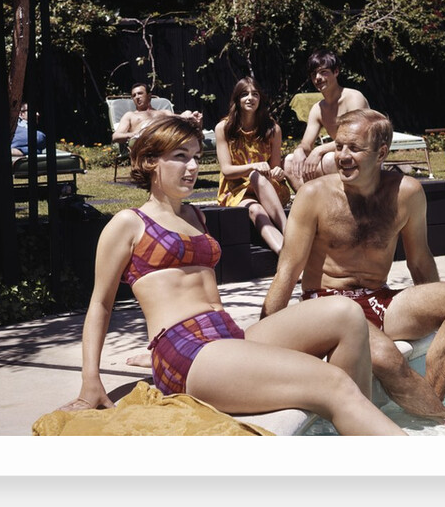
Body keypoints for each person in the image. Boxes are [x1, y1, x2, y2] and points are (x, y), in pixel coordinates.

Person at [57, 114, 405, 436]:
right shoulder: (129, 223)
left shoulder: (196, 216)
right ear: (150, 162)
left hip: (228, 337)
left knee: (346, 315)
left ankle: (355, 437)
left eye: (195, 156)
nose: (192, 167)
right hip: (185, 350)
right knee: (332, 382)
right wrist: (92, 381)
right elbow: (101, 305)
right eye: (180, 156)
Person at [262, 108, 445, 435]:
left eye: (354, 148)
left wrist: (435, 309)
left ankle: (428, 408)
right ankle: (442, 416)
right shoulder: (313, 195)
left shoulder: (407, 193)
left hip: (378, 299)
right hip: (329, 304)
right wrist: (263, 338)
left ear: (381, 153)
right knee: (385, 355)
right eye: (338, 146)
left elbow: (419, 260)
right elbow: (287, 271)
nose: (342, 156)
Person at [215, 77, 291, 254]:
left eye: (254, 94)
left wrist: (278, 172)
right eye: (244, 94)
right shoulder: (224, 128)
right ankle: (286, 252)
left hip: (267, 189)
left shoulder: (272, 129)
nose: (250, 98)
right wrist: (253, 167)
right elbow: (227, 171)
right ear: (237, 99)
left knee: (257, 177)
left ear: (260, 99)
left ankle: (289, 232)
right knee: (256, 210)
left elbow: (272, 168)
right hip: (236, 191)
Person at [283, 49, 370, 192]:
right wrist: (299, 150)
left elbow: (355, 138)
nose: (317, 78)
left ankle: (342, 206)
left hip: (362, 157)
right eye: (313, 74)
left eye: (323, 72)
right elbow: (306, 143)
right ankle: (310, 206)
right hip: (340, 154)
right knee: (289, 162)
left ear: (336, 72)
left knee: (330, 159)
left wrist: (319, 150)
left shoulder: (354, 98)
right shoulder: (318, 108)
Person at [112, 83, 202, 146]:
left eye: (140, 93)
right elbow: (116, 136)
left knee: (187, 113)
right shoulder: (130, 115)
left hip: (166, 139)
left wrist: (191, 118)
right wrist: (135, 134)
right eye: (134, 95)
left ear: (149, 96)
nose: (137, 97)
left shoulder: (164, 112)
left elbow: (180, 119)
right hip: (145, 142)